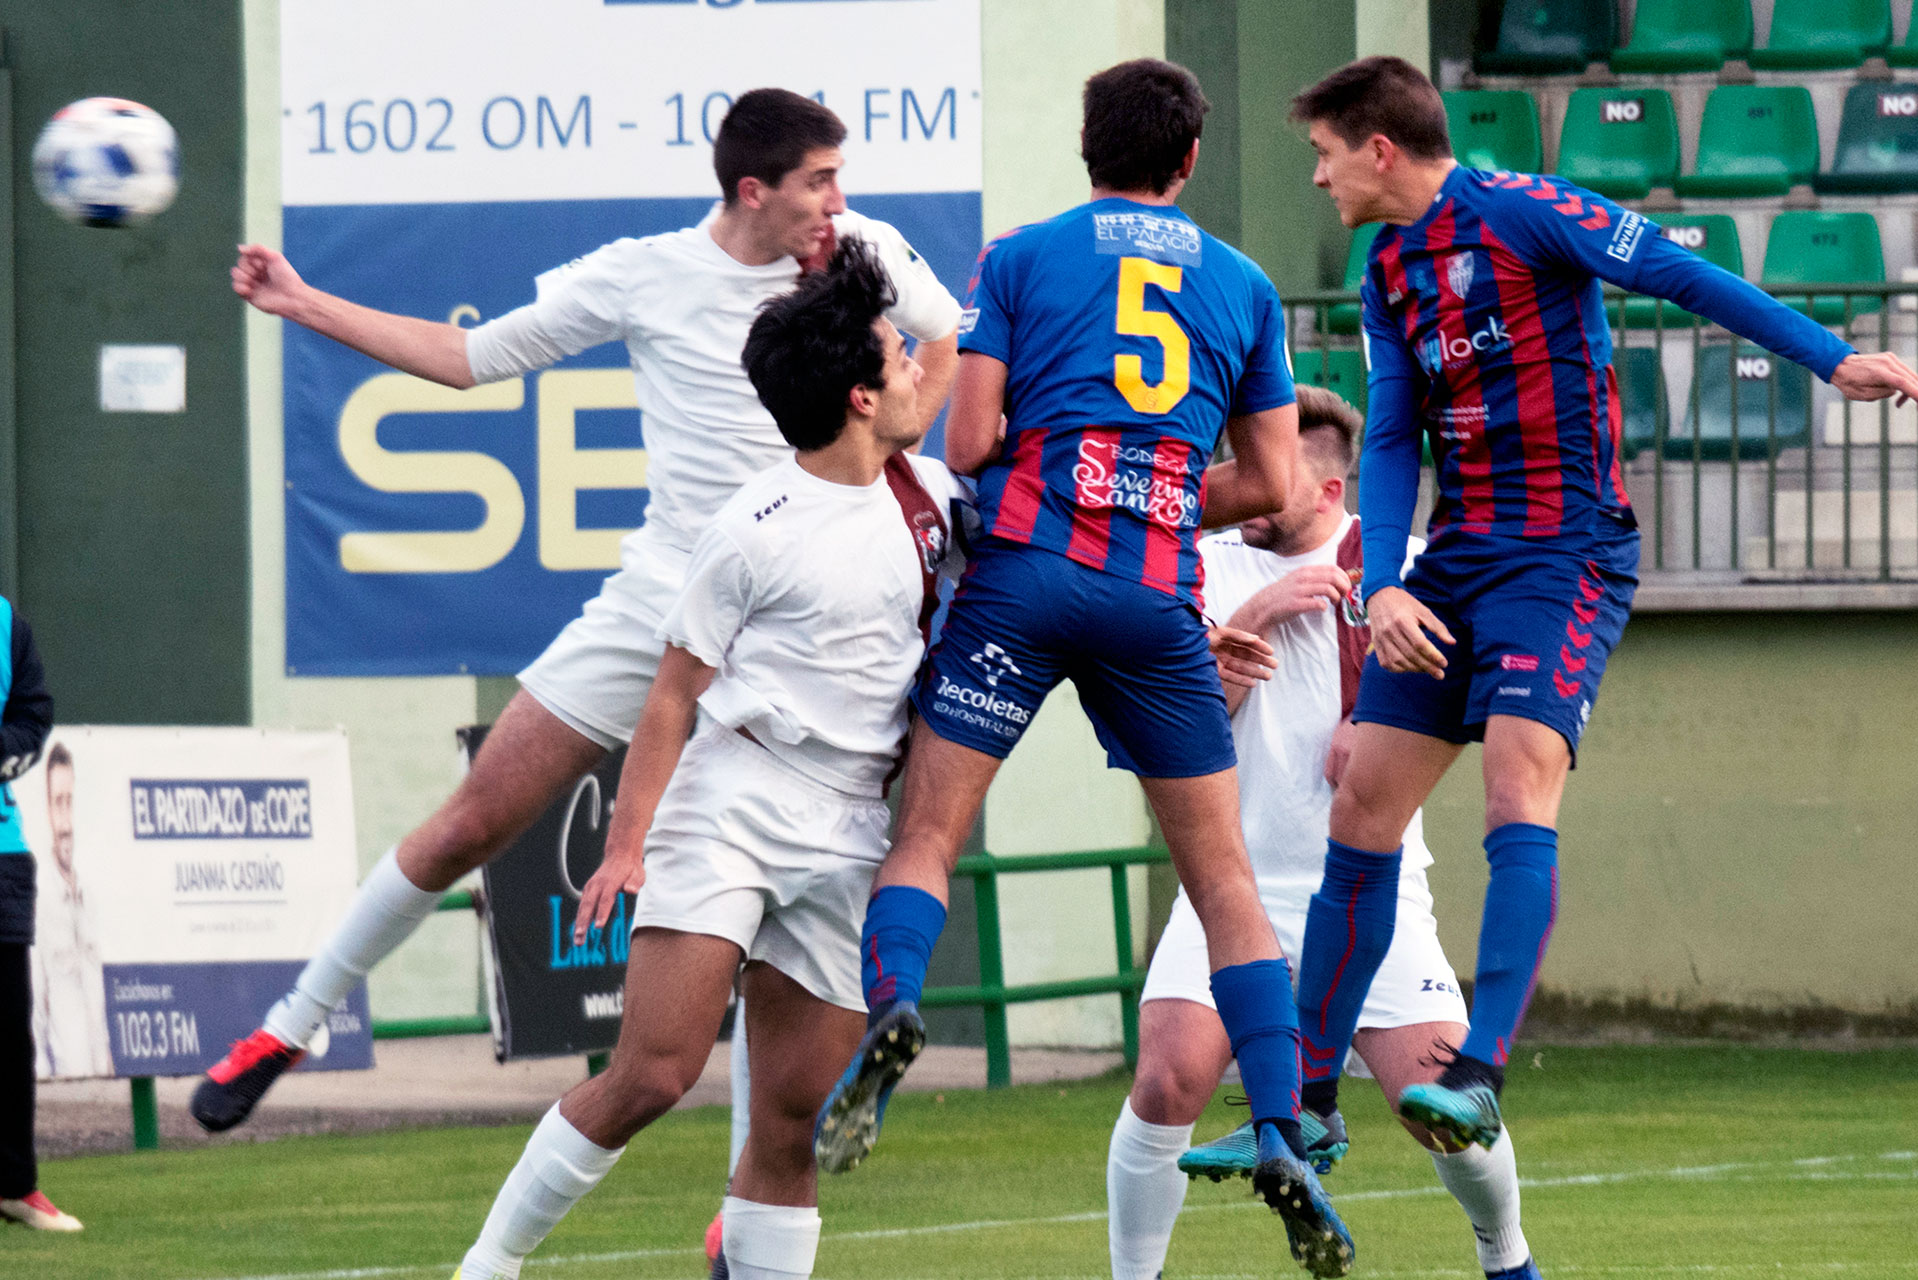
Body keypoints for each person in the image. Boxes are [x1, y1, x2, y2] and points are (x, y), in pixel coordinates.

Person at [191, 88, 960, 1132]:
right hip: (662, 606)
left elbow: (946, 337)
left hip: (800, 628)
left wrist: (902, 446)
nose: (840, 200)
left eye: (839, 178)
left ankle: (745, 1213)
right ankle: (290, 1020)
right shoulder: (644, 275)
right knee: (475, 818)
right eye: (820, 180)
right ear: (754, 189)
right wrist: (302, 301)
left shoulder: (862, 250)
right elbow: (468, 360)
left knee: (774, 946)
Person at [1283, 56, 1918, 1154]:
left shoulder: (1528, 212)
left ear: (1377, 148)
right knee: (1361, 811)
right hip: (1456, 563)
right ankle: (1300, 1104)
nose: (1317, 178)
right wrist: (1383, 579)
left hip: (1565, 554)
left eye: (1323, 154)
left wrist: (1827, 358)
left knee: (1512, 785)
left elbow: (1680, 273)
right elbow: (1390, 436)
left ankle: (1476, 1073)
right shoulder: (1386, 268)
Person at [816, 58, 1356, 1279]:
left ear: (1085, 146)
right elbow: (1272, 486)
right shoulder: (1247, 285)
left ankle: (897, 999)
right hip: (1154, 600)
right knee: (1225, 887)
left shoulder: (1021, 257)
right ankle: (1279, 1126)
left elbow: (967, 439)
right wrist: (1164, 494)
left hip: (1025, 576)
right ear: (1189, 161)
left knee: (928, 836)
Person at [453, 238, 968, 1280]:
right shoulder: (751, 526)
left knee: (788, 1122)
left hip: (855, 826)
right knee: (653, 1071)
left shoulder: (939, 501)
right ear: (862, 397)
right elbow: (672, 693)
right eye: (897, 352)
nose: (920, 361)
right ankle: (488, 1264)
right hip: (733, 802)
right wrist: (625, 845)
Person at [1106, 386, 1539, 1280]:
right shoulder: (1201, 568)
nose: (1246, 486)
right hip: (1229, 883)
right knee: (1168, 1079)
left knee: (1439, 1102)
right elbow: (1176, 725)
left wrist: (1374, 718)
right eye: (1240, 461)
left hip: (1373, 887)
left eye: (1271, 471)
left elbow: (1474, 699)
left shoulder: (1411, 571)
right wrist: (1255, 619)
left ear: (1333, 490)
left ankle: (1507, 1258)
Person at [0, 597, 81, 1232]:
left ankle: (14, 1185)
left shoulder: (7, 624)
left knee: (6, 1033)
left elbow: (32, 717)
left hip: (0, 857)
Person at [30, 742, 112, 1080]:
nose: (65, 820)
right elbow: (34, 1008)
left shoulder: (90, 894)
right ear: (47, 811)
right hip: (68, 1088)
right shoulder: (38, 897)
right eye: (57, 803)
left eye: (70, 802)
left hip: (103, 1080)